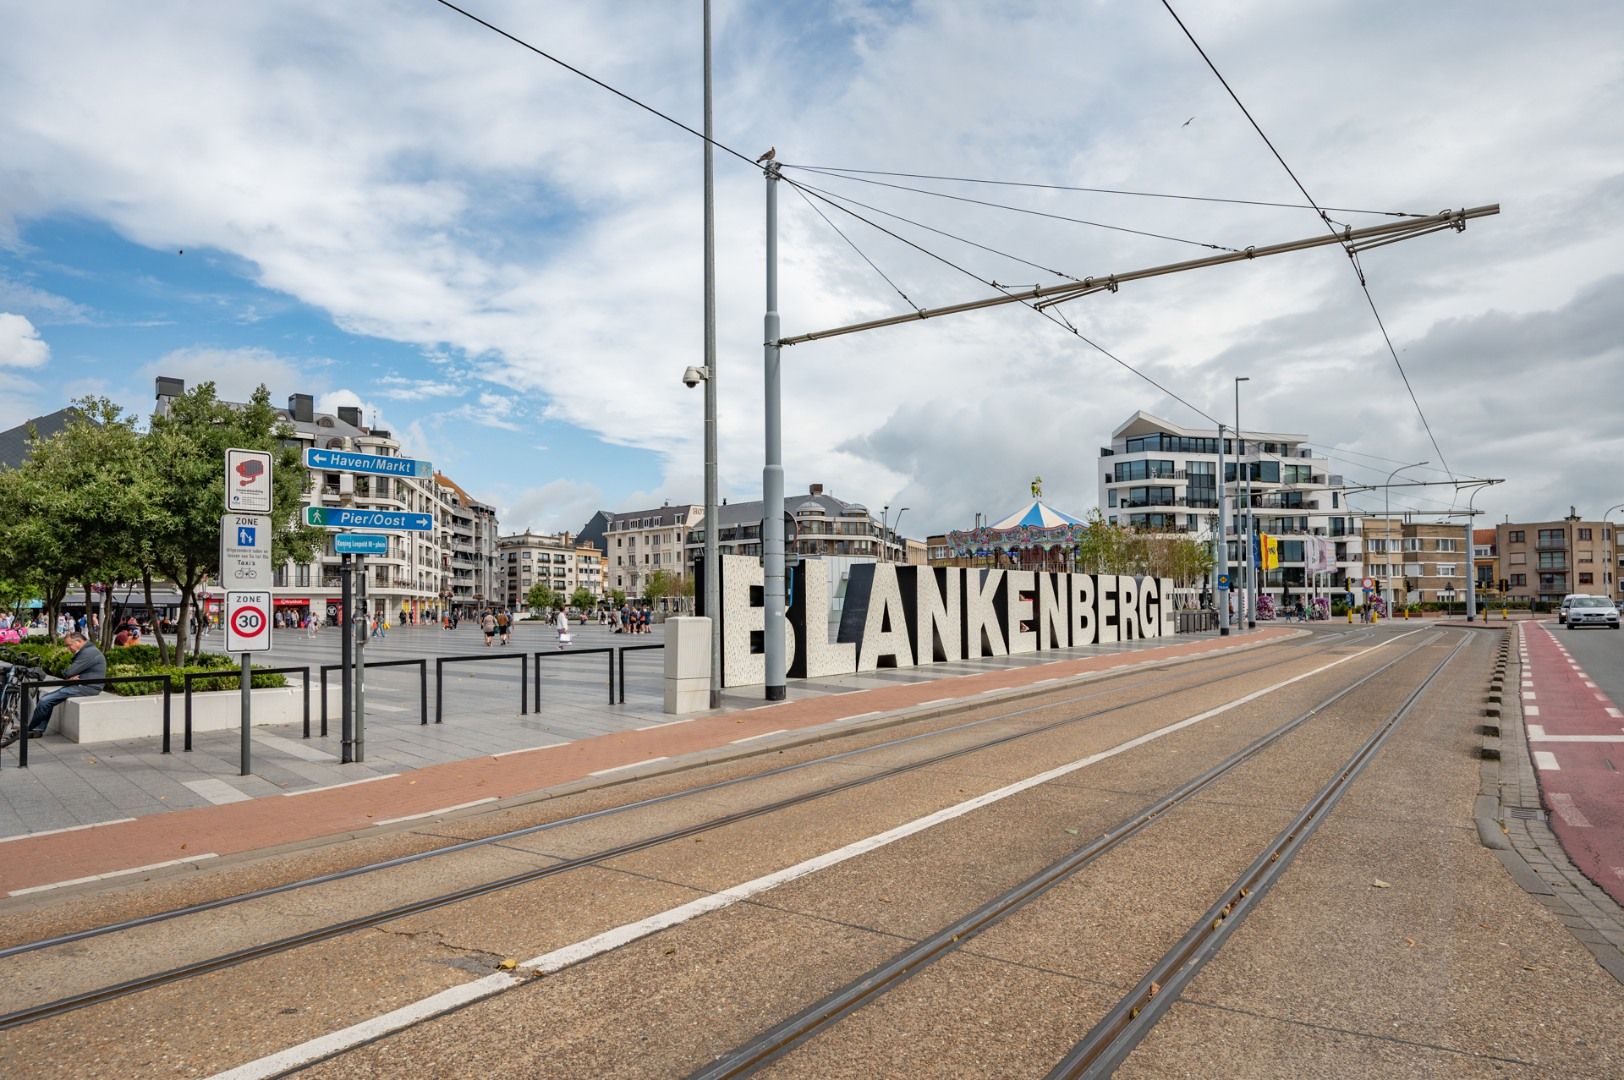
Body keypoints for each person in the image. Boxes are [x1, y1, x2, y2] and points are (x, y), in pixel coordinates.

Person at [3, 630, 104, 746]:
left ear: (79, 642)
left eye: (69, 645)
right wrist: (70, 677)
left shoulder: (88, 653)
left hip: (87, 687)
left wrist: (69, 675)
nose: (68, 648)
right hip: (81, 684)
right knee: (46, 698)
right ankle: (36, 728)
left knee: (46, 700)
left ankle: (32, 729)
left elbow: (68, 672)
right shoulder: (88, 651)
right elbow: (70, 674)